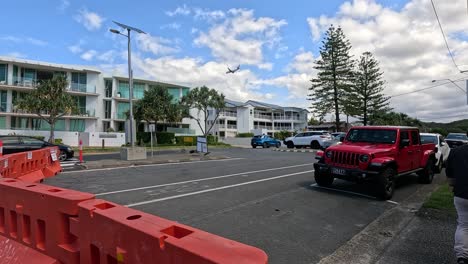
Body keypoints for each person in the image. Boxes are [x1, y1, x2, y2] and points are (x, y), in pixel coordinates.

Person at [446, 132, 468, 264]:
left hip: (461, 194)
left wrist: (453, 185)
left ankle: (462, 257)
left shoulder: (456, 152)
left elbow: (449, 174)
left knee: (464, 225)